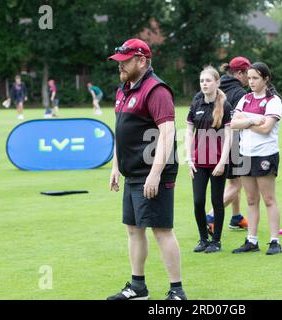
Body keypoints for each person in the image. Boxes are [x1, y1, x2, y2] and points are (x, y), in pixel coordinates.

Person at [106, 38, 186, 300]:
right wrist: (116, 166)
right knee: (133, 228)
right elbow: (122, 131)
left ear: (142, 61)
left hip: (154, 173)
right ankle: (137, 286)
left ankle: (177, 291)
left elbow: (167, 134)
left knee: (161, 230)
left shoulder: (156, 90)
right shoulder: (124, 89)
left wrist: (155, 173)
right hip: (132, 173)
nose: (120, 66)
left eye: (125, 62)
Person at [230, 62, 282, 255]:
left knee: (268, 199)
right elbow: (233, 124)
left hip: (265, 153)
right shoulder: (244, 99)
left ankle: (274, 241)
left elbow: (266, 128)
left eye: (255, 78)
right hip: (245, 153)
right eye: (249, 78)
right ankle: (251, 241)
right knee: (251, 200)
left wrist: (245, 121)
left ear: (265, 79)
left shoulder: (273, 101)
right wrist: (252, 120)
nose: (251, 82)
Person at [185, 66, 232, 253]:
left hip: (218, 163)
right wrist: (189, 159)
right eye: (202, 81)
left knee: (216, 201)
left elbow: (229, 136)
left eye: (208, 80)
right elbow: (189, 131)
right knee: (198, 201)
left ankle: (216, 241)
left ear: (217, 83)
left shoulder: (225, 106)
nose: (204, 84)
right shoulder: (196, 103)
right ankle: (204, 239)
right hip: (198, 162)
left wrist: (222, 162)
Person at [204, 57, 251, 234]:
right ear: (239, 73)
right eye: (248, 74)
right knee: (237, 185)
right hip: (233, 141)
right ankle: (210, 216)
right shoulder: (239, 93)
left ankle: (236, 217)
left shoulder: (217, 85)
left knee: (233, 180)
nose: (250, 78)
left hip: (211, 140)